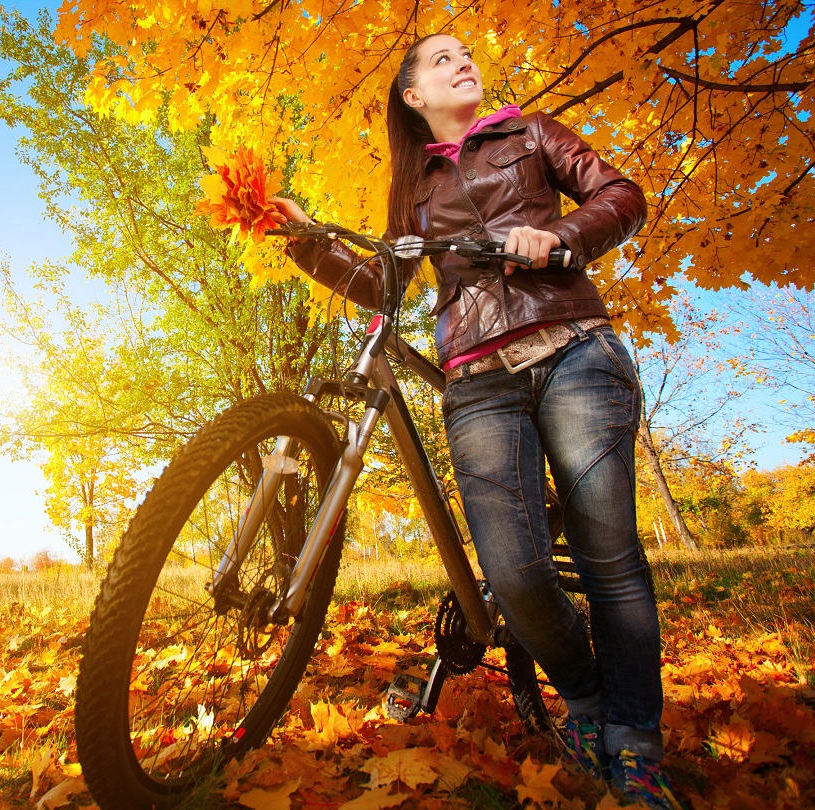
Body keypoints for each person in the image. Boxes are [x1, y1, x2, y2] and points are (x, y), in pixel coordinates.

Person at [270, 33, 682, 810]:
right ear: (413, 96)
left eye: (466, 53)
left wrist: (559, 237)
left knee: (609, 557)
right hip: (477, 380)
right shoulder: (413, 187)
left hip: (574, 347)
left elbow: (622, 197)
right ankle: (588, 697)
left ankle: (633, 744)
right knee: (515, 576)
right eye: (442, 59)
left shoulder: (531, 132)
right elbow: (383, 284)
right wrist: (303, 238)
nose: (463, 62)